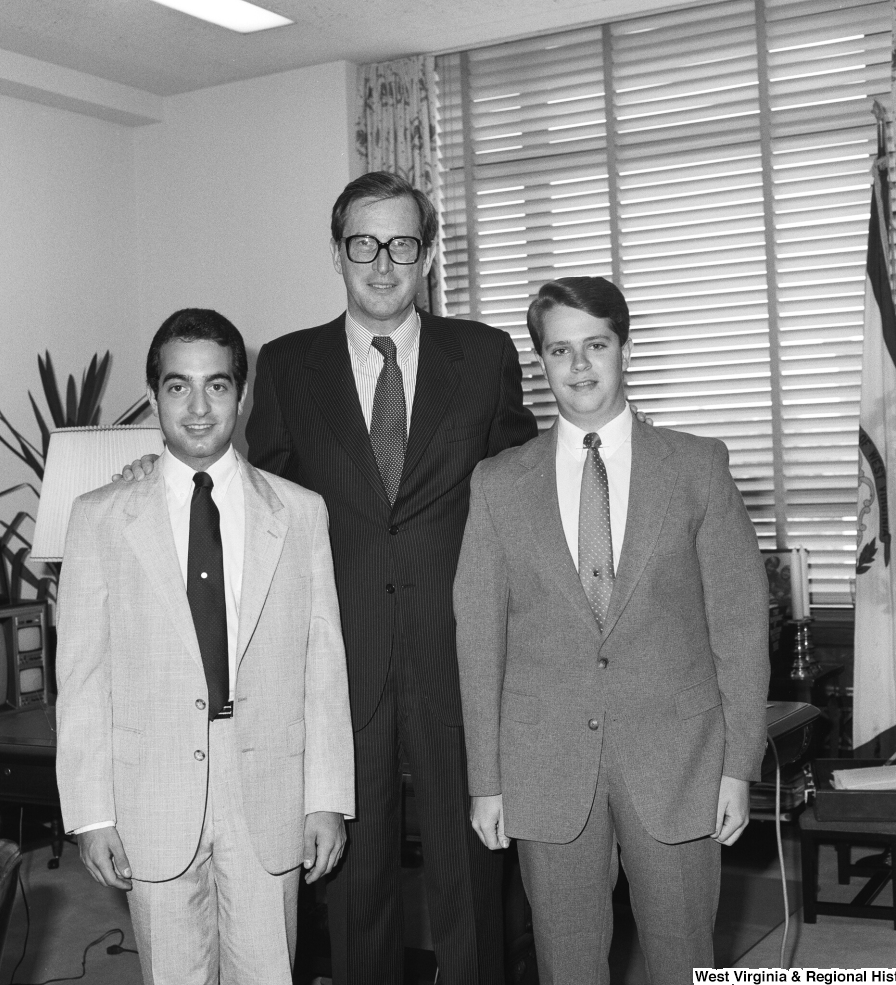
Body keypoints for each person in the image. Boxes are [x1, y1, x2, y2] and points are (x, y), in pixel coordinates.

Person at [118, 173, 537, 984]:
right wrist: (158, 472)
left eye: (402, 244)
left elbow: (518, 493)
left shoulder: (483, 356)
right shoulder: (287, 364)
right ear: (337, 253)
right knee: (353, 893)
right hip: (336, 674)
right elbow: (256, 509)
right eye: (363, 245)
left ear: (429, 254)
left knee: (471, 890)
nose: (383, 264)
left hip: (458, 666)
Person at [454, 277, 770, 985]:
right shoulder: (498, 483)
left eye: (595, 344)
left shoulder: (696, 467)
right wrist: (487, 780)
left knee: (685, 955)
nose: (579, 365)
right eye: (559, 350)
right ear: (541, 362)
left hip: (680, 759)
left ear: (624, 348)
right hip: (545, 763)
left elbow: (741, 626)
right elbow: (478, 641)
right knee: (565, 962)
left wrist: (736, 764)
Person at [56, 308, 355, 985]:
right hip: (149, 794)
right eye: (177, 386)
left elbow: (323, 665)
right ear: (155, 393)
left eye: (217, 386)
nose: (197, 407)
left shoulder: (300, 512)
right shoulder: (99, 516)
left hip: (269, 789)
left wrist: (327, 796)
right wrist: (90, 812)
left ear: (242, 395)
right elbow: (81, 676)